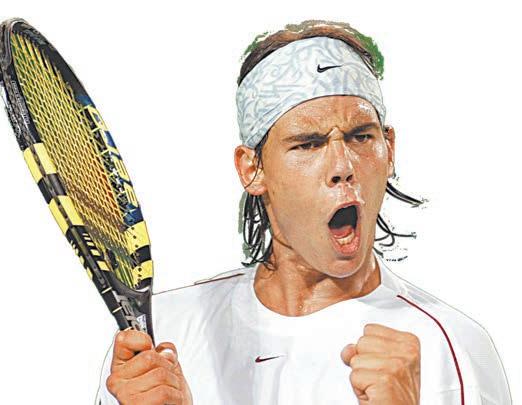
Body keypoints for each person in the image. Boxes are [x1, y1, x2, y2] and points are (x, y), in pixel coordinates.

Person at [95, 20, 511, 404]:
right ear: (252, 169)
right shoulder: (163, 337)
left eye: (361, 137)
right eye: (308, 144)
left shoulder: (452, 348)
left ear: (389, 150)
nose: (343, 166)